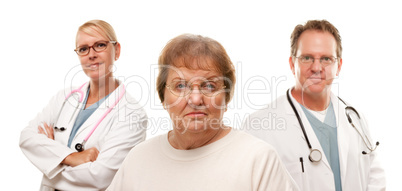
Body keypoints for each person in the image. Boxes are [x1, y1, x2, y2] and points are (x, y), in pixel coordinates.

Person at [107, 34, 299, 191]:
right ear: (163, 97)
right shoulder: (138, 159)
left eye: (209, 85)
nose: (196, 99)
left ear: (226, 97)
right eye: (180, 85)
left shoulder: (258, 159)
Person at [243, 20, 386, 191]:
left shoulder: (355, 118)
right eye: (307, 58)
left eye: (326, 59)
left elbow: (375, 178)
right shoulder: (258, 127)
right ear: (292, 64)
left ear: (338, 66)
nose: (316, 67)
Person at [19, 20, 147, 191]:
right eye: (83, 49)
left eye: (100, 45)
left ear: (116, 50)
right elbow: (26, 137)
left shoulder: (133, 114)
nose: (91, 54)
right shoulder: (64, 97)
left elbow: (100, 177)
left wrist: (48, 165)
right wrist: (71, 157)